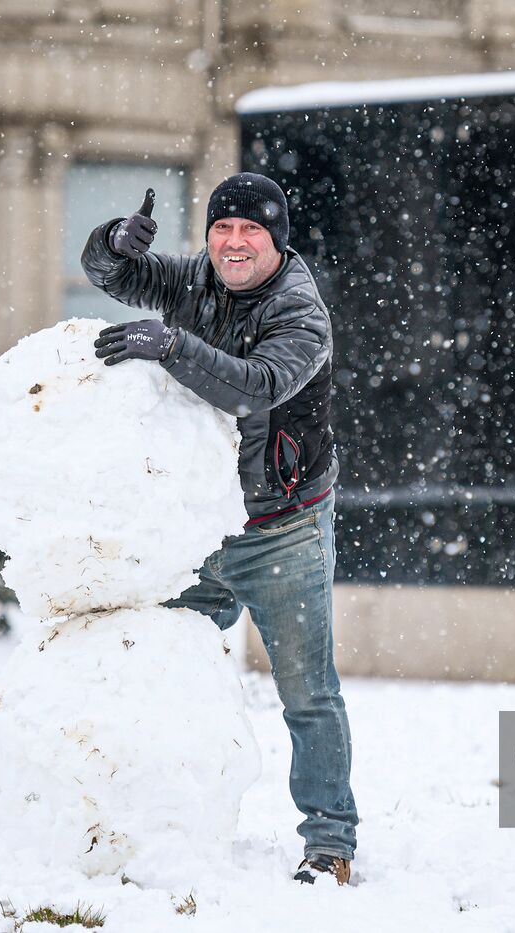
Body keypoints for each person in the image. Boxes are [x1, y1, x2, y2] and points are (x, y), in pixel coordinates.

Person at [80, 173, 357, 886]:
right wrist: (113, 244)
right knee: (161, 673)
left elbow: (252, 387)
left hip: (283, 527)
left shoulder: (301, 313)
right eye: (222, 229)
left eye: (251, 231)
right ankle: (158, 825)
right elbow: (114, 276)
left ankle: (329, 841)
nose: (234, 243)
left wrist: (171, 346)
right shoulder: (196, 280)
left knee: (308, 692)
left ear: (276, 240)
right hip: (201, 524)